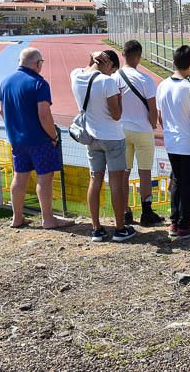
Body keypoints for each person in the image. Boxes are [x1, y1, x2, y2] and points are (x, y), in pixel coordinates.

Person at [0, 48, 74, 229]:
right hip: (39, 140)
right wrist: (53, 136)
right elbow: (44, 115)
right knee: (45, 178)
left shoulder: (5, 82)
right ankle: (48, 219)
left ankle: (17, 218)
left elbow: (2, 111)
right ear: (38, 63)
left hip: (17, 140)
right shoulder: (39, 83)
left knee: (19, 177)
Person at [71, 51, 136, 242]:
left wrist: (92, 55)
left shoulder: (76, 76)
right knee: (115, 182)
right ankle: (119, 228)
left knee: (95, 179)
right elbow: (116, 115)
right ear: (108, 64)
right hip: (112, 137)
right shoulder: (107, 82)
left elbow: (85, 66)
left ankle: (96, 229)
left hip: (91, 137)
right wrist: (120, 98)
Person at [156, 45, 190, 239]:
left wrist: (169, 130)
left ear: (174, 62)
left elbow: (160, 116)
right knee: (188, 184)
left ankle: (174, 220)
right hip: (188, 143)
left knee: (176, 180)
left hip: (172, 142)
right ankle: (184, 224)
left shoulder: (162, 85)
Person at [111, 40, 162, 227]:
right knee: (145, 172)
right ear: (138, 56)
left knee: (124, 172)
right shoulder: (145, 79)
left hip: (122, 130)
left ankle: (125, 211)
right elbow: (152, 109)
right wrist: (152, 124)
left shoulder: (114, 78)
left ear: (123, 54)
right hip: (142, 130)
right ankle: (147, 212)